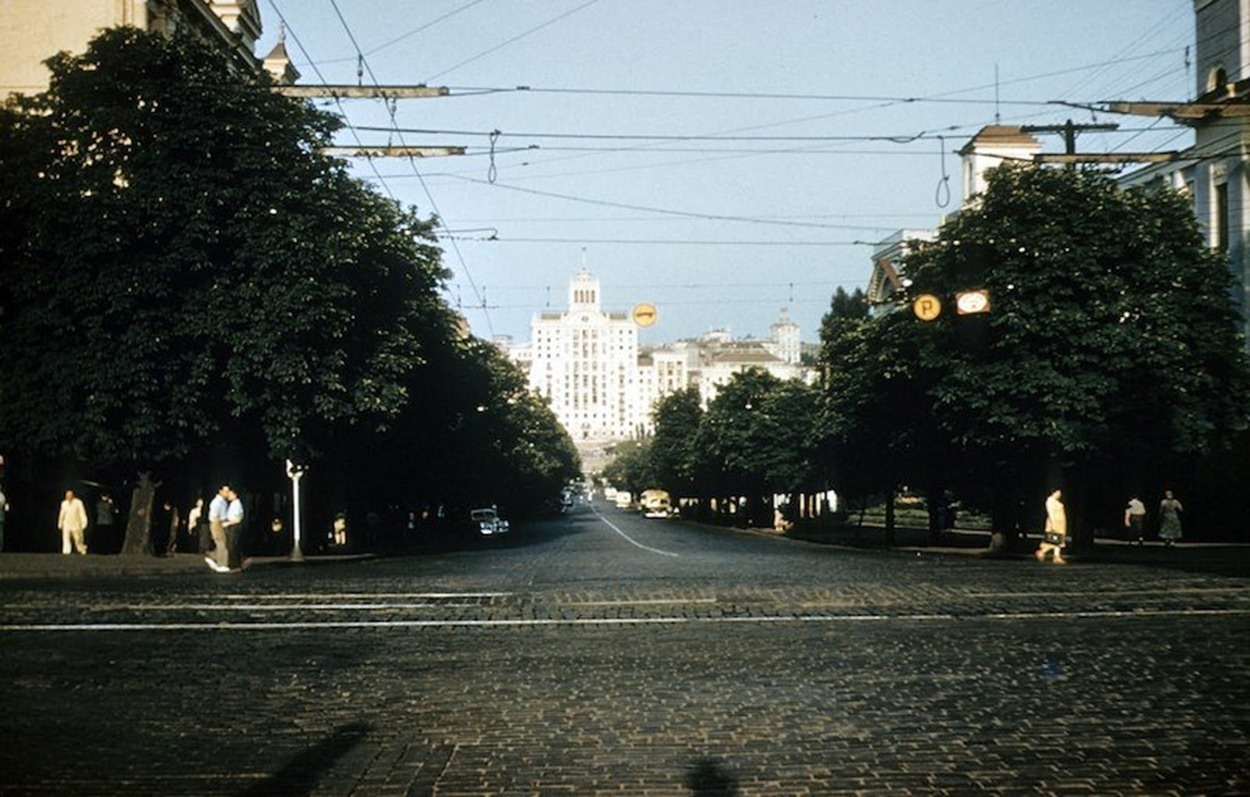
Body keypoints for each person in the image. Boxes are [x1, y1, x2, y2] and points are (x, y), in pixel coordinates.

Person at [1035, 488, 1067, 565]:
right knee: (1054, 540)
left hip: (1060, 523)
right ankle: (1042, 552)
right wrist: (1053, 524)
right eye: (1058, 492)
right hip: (1054, 523)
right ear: (1053, 492)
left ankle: (1056, 556)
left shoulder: (1056, 502)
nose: (1059, 494)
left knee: (1058, 540)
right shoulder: (1050, 501)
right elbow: (1050, 513)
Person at [205, 485, 230, 572]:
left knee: (224, 543)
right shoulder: (216, 502)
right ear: (220, 491)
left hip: (223, 523)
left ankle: (213, 556)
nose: (227, 493)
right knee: (221, 544)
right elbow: (213, 516)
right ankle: (221, 564)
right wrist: (219, 522)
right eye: (225, 491)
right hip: (217, 523)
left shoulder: (224, 502)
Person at [58, 489, 89, 555]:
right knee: (66, 538)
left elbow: (82, 513)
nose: (68, 497)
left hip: (76, 523)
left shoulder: (78, 502)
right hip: (66, 524)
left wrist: (84, 522)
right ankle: (66, 552)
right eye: (67, 495)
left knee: (78, 539)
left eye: (69, 495)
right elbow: (62, 514)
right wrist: (60, 523)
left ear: (72, 496)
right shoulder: (64, 503)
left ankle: (82, 549)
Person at [222, 487, 244, 572]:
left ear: (235, 495)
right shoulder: (232, 503)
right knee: (230, 545)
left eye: (230, 494)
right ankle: (233, 565)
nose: (228, 496)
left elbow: (238, 519)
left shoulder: (237, 504)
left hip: (235, 526)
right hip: (231, 525)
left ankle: (235, 565)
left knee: (233, 546)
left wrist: (228, 523)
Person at [0, 486, 8, 552]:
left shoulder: (2, 496)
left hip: (1, 516)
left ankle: (0, 547)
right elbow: (6, 507)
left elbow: (6, 507)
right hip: (1, 516)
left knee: (0, 532)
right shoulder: (2, 496)